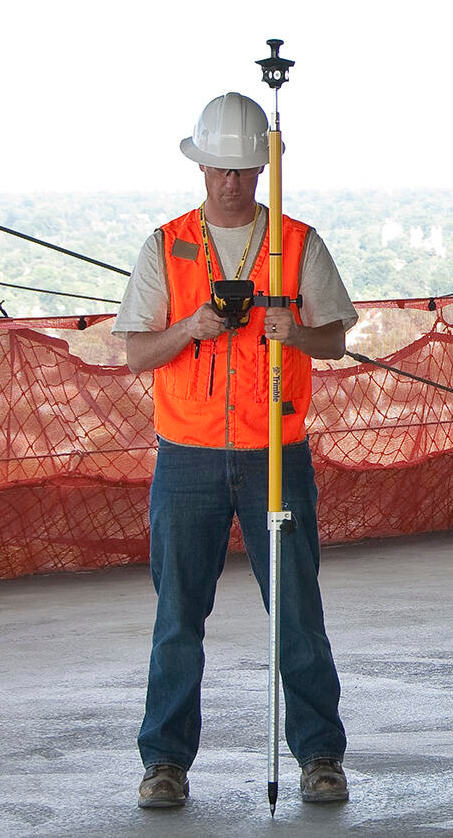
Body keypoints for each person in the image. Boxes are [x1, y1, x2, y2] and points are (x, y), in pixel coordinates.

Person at [113, 92, 358, 810]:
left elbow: (335, 338)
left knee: (297, 612)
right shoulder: (165, 245)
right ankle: (164, 761)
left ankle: (319, 754)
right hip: (185, 455)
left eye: (245, 169)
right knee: (177, 617)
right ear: (202, 167)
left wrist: (294, 330)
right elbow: (133, 353)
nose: (232, 182)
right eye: (220, 168)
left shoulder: (297, 242)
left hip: (273, 454)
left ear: (262, 169)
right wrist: (191, 325)